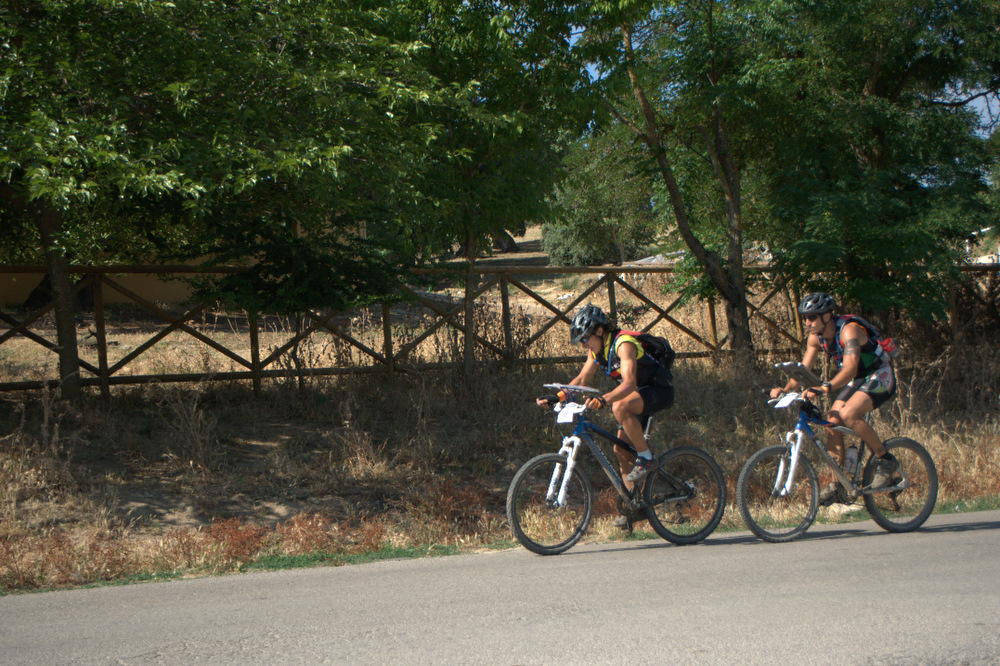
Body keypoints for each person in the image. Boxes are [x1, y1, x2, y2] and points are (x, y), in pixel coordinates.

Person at [537, 304, 674, 528]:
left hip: (658, 391)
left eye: (585, 338)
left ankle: (646, 458)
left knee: (618, 406)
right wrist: (557, 397)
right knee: (620, 450)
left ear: (600, 331)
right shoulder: (596, 351)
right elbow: (581, 381)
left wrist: (604, 399)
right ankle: (634, 507)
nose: (584, 345)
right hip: (636, 397)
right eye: (580, 341)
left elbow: (629, 383)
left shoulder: (623, 344)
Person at [770, 292, 899, 505]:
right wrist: (784, 389)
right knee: (832, 420)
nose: (807, 323)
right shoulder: (816, 338)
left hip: (880, 374)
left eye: (812, 317)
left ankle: (886, 460)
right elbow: (802, 371)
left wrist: (825, 387)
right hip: (859, 379)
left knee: (848, 414)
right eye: (805, 318)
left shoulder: (849, 330)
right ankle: (837, 485)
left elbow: (849, 369)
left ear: (827, 316)